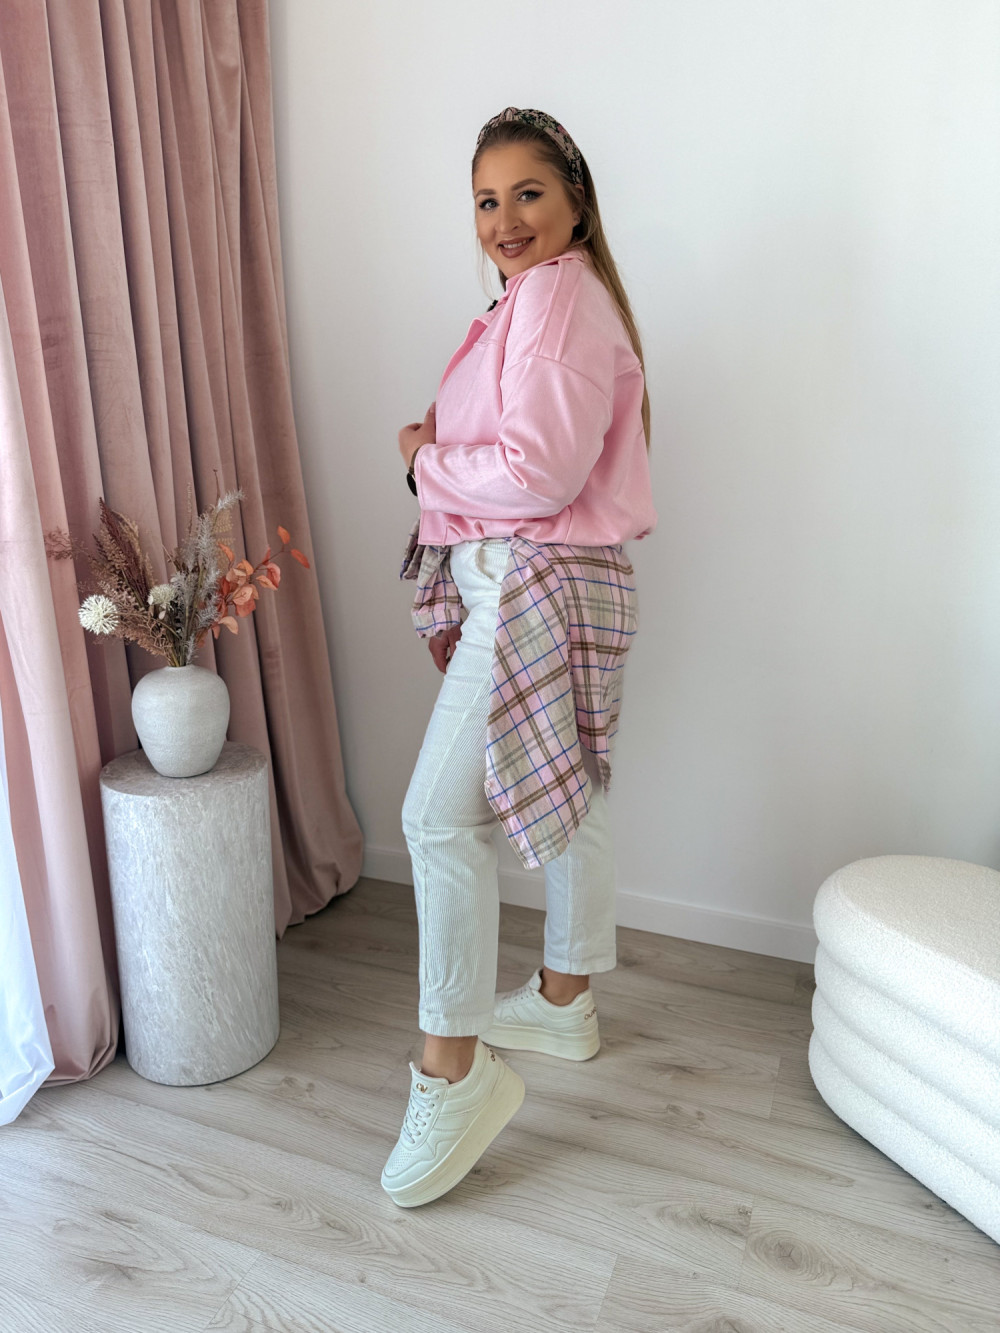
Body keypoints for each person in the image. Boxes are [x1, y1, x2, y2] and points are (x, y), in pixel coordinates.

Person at [381, 107, 657, 1208]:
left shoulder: (551, 299)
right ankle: (562, 998)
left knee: (437, 820)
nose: (505, 218)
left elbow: (538, 473)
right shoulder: (544, 300)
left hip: (531, 579)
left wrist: (425, 465)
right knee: (568, 787)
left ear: (575, 201)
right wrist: (444, 447)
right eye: (486, 200)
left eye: (528, 193)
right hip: (567, 578)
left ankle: (454, 1072)